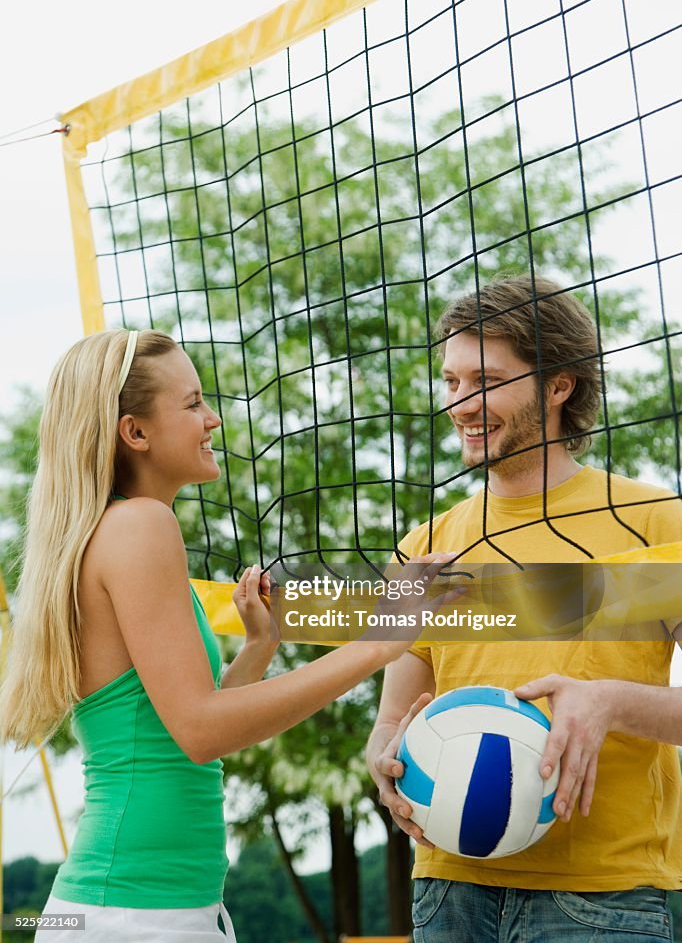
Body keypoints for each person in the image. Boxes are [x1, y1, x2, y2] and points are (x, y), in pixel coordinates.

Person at [0, 328, 457, 943]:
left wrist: (258, 650)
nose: (211, 418)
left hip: (137, 907)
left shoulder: (112, 532)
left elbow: (184, 733)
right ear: (134, 433)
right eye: (191, 404)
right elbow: (200, 729)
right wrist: (379, 641)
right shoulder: (140, 526)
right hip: (135, 914)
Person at [366, 276, 682, 942]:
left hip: (604, 899)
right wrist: (384, 758)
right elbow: (392, 717)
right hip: (447, 887)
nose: (460, 404)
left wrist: (609, 702)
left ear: (558, 384)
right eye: (451, 382)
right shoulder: (425, 546)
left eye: (484, 379)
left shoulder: (657, 522)